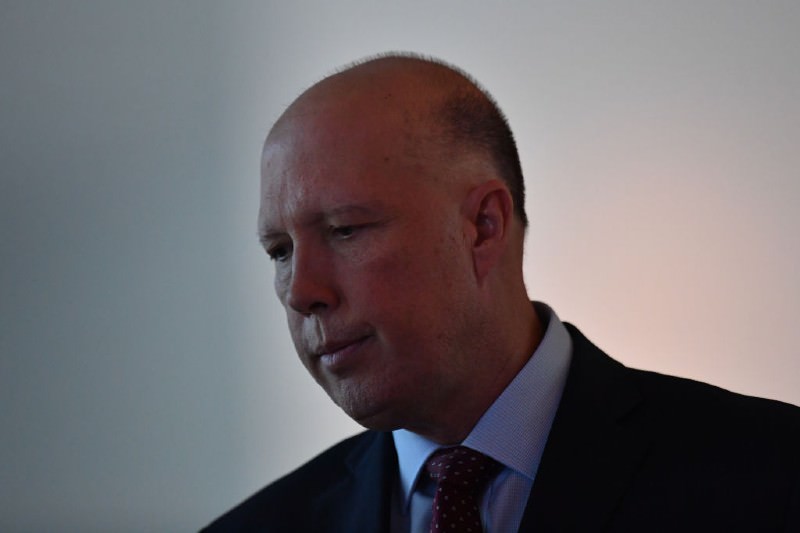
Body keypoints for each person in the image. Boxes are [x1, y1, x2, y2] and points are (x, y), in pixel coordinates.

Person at [203, 54, 799, 532]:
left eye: (345, 230)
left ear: (482, 226)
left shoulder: (771, 477)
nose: (302, 292)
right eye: (280, 251)